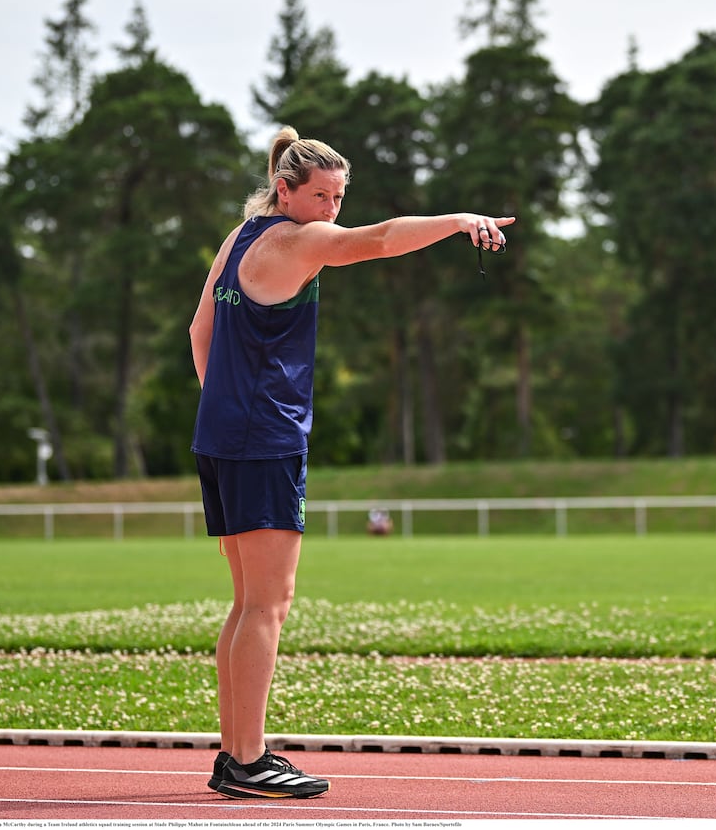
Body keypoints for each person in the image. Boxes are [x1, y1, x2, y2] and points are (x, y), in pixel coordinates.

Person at [189, 126, 511, 800]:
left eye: (340, 196)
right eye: (322, 195)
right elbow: (382, 238)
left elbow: (200, 331)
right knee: (269, 605)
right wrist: (459, 221)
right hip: (263, 440)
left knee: (249, 603)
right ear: (286, 189)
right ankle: (247, 759)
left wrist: (223, 404)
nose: (332, 209)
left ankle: (236, 754)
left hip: (225, 437)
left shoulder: (241, 234)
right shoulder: (295, 240)